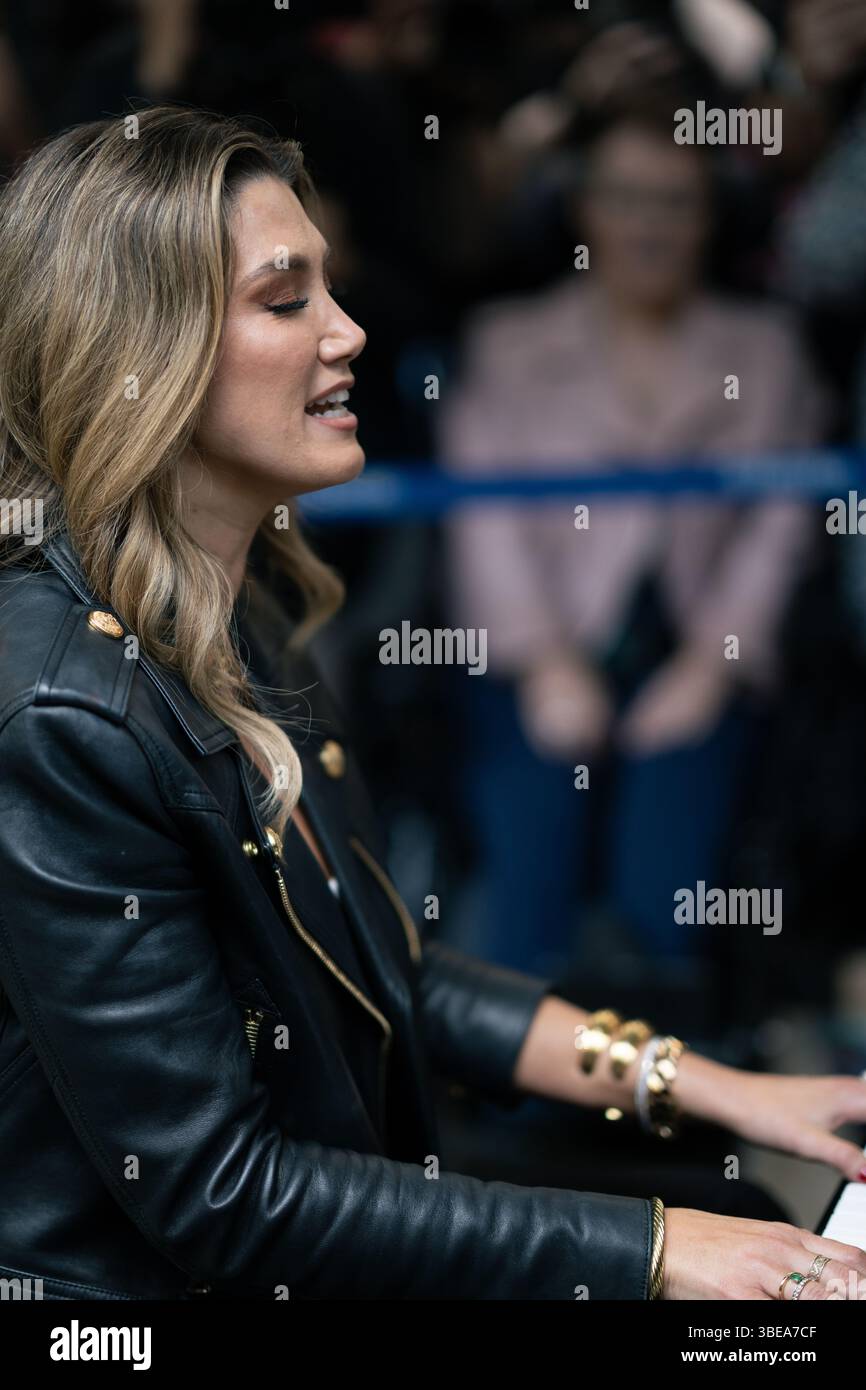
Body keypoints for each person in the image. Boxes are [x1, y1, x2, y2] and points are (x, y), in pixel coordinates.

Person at [0, 105, 863, 1302]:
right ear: (142, 342)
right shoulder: (61, 713)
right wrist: (656, 1249)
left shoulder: (228, 614)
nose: (349, 332)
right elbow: (220, 1195)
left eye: (330, 289)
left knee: (750, 1204)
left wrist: (710, 1084)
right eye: (284, 298)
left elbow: (391, 971)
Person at [440, 108, 827, 980]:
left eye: (676, 202)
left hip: (699, 653)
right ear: (582, 209)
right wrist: (543, 663)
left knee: (669, 890)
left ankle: (660, 1095)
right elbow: (482, 518)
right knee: (528, 876)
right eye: (625, 197)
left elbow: (782, 524)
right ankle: (521, 1104)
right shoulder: (508, 341)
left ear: (712, 214)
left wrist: (713, 665)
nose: (649, 225)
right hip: (536, 654)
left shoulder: (765, 350)